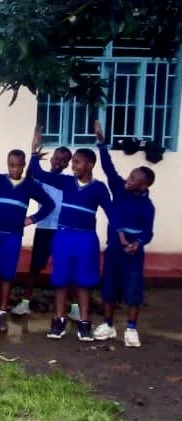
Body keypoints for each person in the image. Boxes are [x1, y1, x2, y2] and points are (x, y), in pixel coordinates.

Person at [29, 132, 114, 341]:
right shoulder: (67, 182)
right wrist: (33, 154)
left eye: (77, 162)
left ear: (90, 164)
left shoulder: (99, 188)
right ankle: (59, 320)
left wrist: (121, 237)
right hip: (64, 237)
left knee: (83, 282)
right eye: (73, 162)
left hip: (86, 239)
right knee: (60, 280)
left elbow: (112, 214)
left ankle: (84, 323)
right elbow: (38, 174)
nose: (73, 166)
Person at [0, 140, 55, 335]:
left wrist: (32, 219)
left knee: (7, 276)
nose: (15, 169)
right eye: (11, 165)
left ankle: (2, 313)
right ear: (7, 164)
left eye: (19, 165)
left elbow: (49, 204)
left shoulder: (30, 186)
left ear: (24, 165)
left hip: (13, 237)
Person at [91, 120, 155, 348]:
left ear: (144, 186)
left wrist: (138, 243)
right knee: (108, 288)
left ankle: (131, 329)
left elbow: (148, 232)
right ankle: (108, 325)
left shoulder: (147, 207)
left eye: (133, 179)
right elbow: (109, 168)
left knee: (133, 291)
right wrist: (101, 144)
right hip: (114, 250)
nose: (128, 180)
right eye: (129, 176)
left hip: (133, 255)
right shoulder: (119, 188)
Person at [13, 133, 72, 316]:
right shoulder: (42, 179)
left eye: (64, 161)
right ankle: (25, 302)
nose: (59, 162)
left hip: (62, 229)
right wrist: (34, 153)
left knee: (66, 267)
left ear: (67, 164)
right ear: (51, 159)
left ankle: (74, 307)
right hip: (44, 228)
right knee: (35, 266)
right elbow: (31, 175)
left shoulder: (67, 182)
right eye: (57, 158)